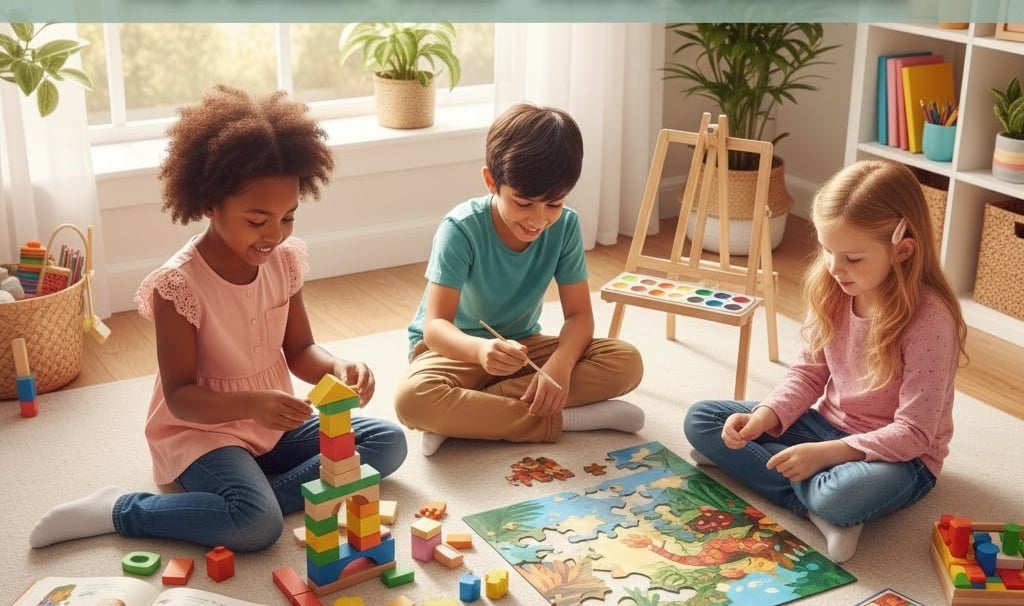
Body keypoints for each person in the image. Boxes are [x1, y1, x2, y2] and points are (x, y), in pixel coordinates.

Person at [29, 85, 407, 552]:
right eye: (257, 220)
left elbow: (300, 351)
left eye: (287, 217)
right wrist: (252, 405)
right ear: (210, 204)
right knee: (256, 526)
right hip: (202, 431)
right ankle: (121, 509)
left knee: (387, 442)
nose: (274, 235)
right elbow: (181, 398)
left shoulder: (286, 261)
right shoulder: (177, 286)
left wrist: (337, 368)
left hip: (271, 424)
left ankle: (258, 490)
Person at [684, 159, 967, 563]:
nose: (835, 268)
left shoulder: (929, 320)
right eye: (828, 250)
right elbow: (807, 375)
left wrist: (828, 455)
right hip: (824, 426)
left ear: (902, 250)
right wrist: (764, 417)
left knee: (839, 494)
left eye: (852, 258)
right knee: (703, 419)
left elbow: (915, 434)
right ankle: (818, 510)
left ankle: (819, 504)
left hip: (903, 459)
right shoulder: (833, 288)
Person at [394, 102, 645, 457]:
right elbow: (435, 326)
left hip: (522, 348)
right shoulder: (460, 229)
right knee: (413, 400)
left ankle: (464, 420)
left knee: (626, 362)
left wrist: (560, 365)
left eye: (554, 204)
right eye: (524, 203)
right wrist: (481, 350)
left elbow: (579, 316)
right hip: (456, 351)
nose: (538, 220)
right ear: (490, 181)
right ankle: (569, 420)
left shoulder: (566, 226)